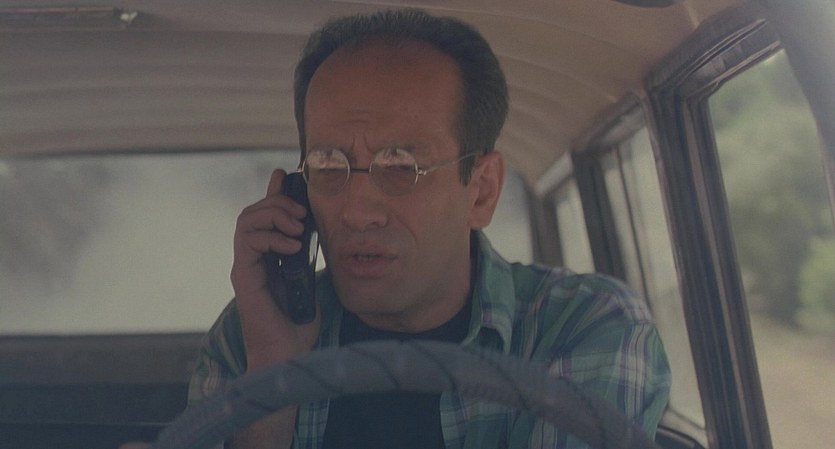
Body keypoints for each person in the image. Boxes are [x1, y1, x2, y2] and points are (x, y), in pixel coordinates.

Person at [189, 8, 671, 449]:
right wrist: (273, 371)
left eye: (400, 166)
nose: (357, 212)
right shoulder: (250, 338)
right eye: (329, 165)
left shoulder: (583, 327)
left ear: (481, 192)